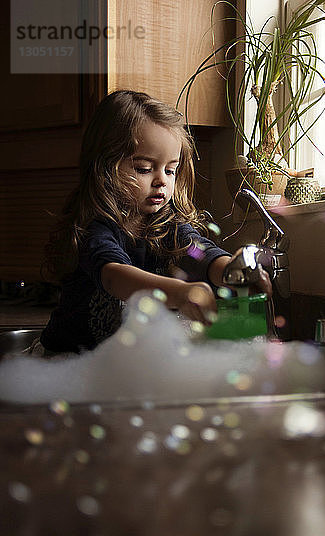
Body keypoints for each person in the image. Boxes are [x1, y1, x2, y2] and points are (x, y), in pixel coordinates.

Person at [39, 90, 270, 354]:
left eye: (170, 170)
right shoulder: (96, 229)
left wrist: (232, 271)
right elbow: (115, 278)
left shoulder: (168, 228)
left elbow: (199, 253)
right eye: (144, 169)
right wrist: (181, 292)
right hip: (68, 360)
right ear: (104, 168)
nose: (162, 180)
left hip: (116, 365)